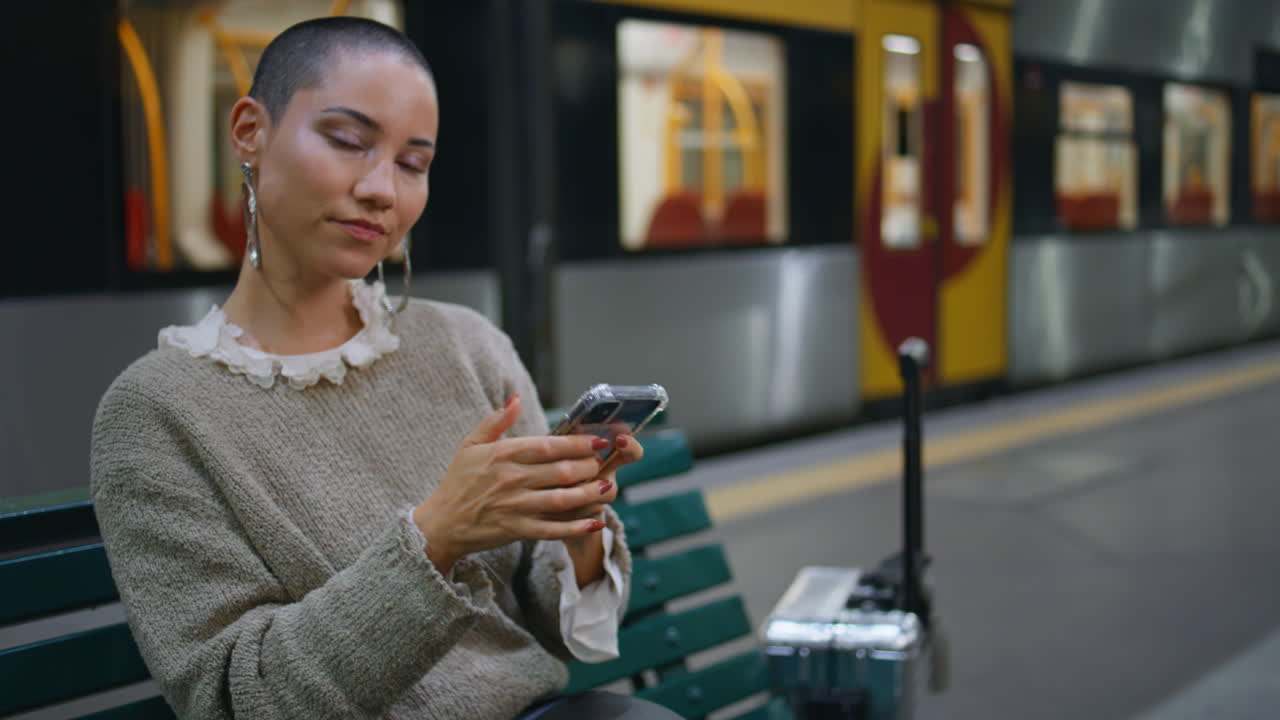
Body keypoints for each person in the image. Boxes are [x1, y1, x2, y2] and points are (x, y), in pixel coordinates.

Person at [91, 17, 664, 720]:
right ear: (249, 132)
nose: (382, 190)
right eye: (347, 141)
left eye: (413, 164)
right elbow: (237, 700)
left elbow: (562, 630)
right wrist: (436, 537)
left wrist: (574, 527)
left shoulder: (468, 345)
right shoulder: (155, 412)